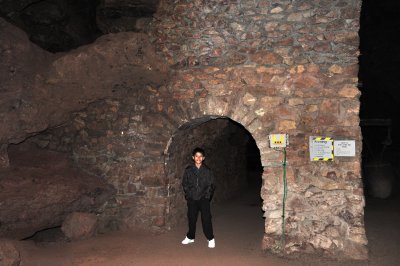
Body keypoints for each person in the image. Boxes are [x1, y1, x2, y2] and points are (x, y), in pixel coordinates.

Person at [181, 147, 216, 248]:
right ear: (193, 157)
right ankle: (190, 237)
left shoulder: (207, 171)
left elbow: (211, 184)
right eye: (196, 156)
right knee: (191, 218)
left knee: (206, 219)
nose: (198, 158)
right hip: (192, 198)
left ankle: (210, 238)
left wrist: (207, 196)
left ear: (203, 158)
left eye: (200, 156)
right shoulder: (188, 170)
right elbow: (185, 183)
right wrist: (188, 195)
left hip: (203, 198)